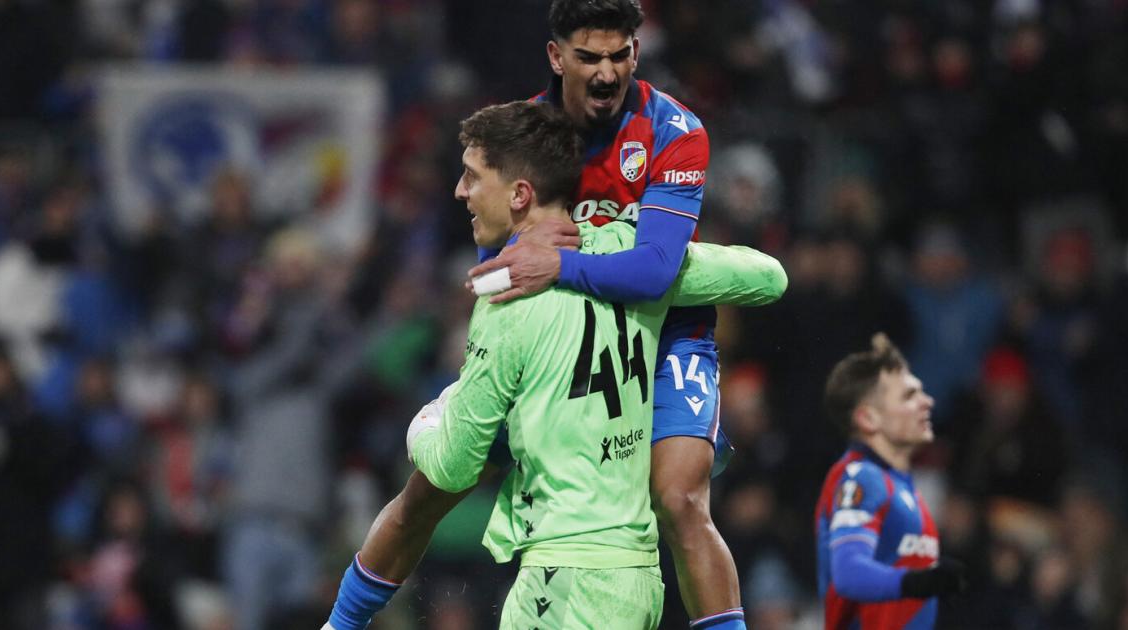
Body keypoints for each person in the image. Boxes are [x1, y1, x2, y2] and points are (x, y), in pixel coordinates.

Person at [325, 101, 786, 629]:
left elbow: (453, 465)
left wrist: (427, 422)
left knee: (427, 490)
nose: (459, 191)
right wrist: (599, 255)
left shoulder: (507, 300)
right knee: (683, 505)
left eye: (472, 177)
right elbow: (768, 277)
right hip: (636, 577)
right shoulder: (632, 254)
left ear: (520, 194)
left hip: (564, 580)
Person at [466, 2, 746, 626]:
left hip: (670, 335)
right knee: (457, 480)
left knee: (678, 498)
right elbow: (495, 267)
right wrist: (522, 261)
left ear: (636, 53)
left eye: (620, 55)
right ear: (556, 56)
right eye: (589, 57)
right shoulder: (523, 136)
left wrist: (557, 263)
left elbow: (655, 271)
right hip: (566, 340)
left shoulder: (675, 130)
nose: (606, 73)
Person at [814, 334, 967, 629]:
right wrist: (919, 582)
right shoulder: (861, 476)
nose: (927, 401)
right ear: (868, 419)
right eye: (909, 396)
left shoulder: (900, 486)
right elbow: (848, 572)